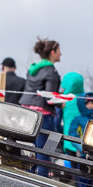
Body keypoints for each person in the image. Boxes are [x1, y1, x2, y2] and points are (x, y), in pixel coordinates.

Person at [18, 37, 63, 177]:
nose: (61, 54)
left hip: (26, 113)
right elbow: (48, 97)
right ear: (53, 52)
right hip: (43, 117)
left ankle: (27, 180)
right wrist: (61, 101)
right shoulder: (51, 71)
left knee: (29, 151)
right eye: (59, 51)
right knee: (43, 153)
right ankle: (42, 186)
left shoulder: (33, 69)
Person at [66, 91, 93, 187]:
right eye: (88, 103)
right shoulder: (77, 120)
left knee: (92, 182)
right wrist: (82, 148)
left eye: (92, 103)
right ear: (83, 105)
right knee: (81, 181)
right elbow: (72, 135)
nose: (90, 105)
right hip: (82, 155)